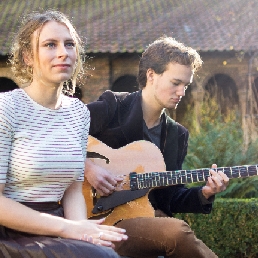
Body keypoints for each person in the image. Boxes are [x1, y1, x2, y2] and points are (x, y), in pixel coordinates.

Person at [85, 36, 229, 258]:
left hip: (143, 221)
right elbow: (56, 135)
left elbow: (170, 195)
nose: (182, 92)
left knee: (173, 228)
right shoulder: (113, 106)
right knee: (177, 231)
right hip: (95, 220)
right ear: (151, 75)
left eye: (186, 85)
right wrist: (89, 169)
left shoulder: (177, 135)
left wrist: (205, 192)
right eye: (175, 83)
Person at [0, 10, 128, 258]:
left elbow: (72, 190)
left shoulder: (78, 113)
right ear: (28, 56)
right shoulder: (6, 108)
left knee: (110, 250)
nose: (63, 53)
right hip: (10, 232)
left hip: (56, 227)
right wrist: (70, 230)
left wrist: (85, 235)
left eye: (69, 44)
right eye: (50, 44)